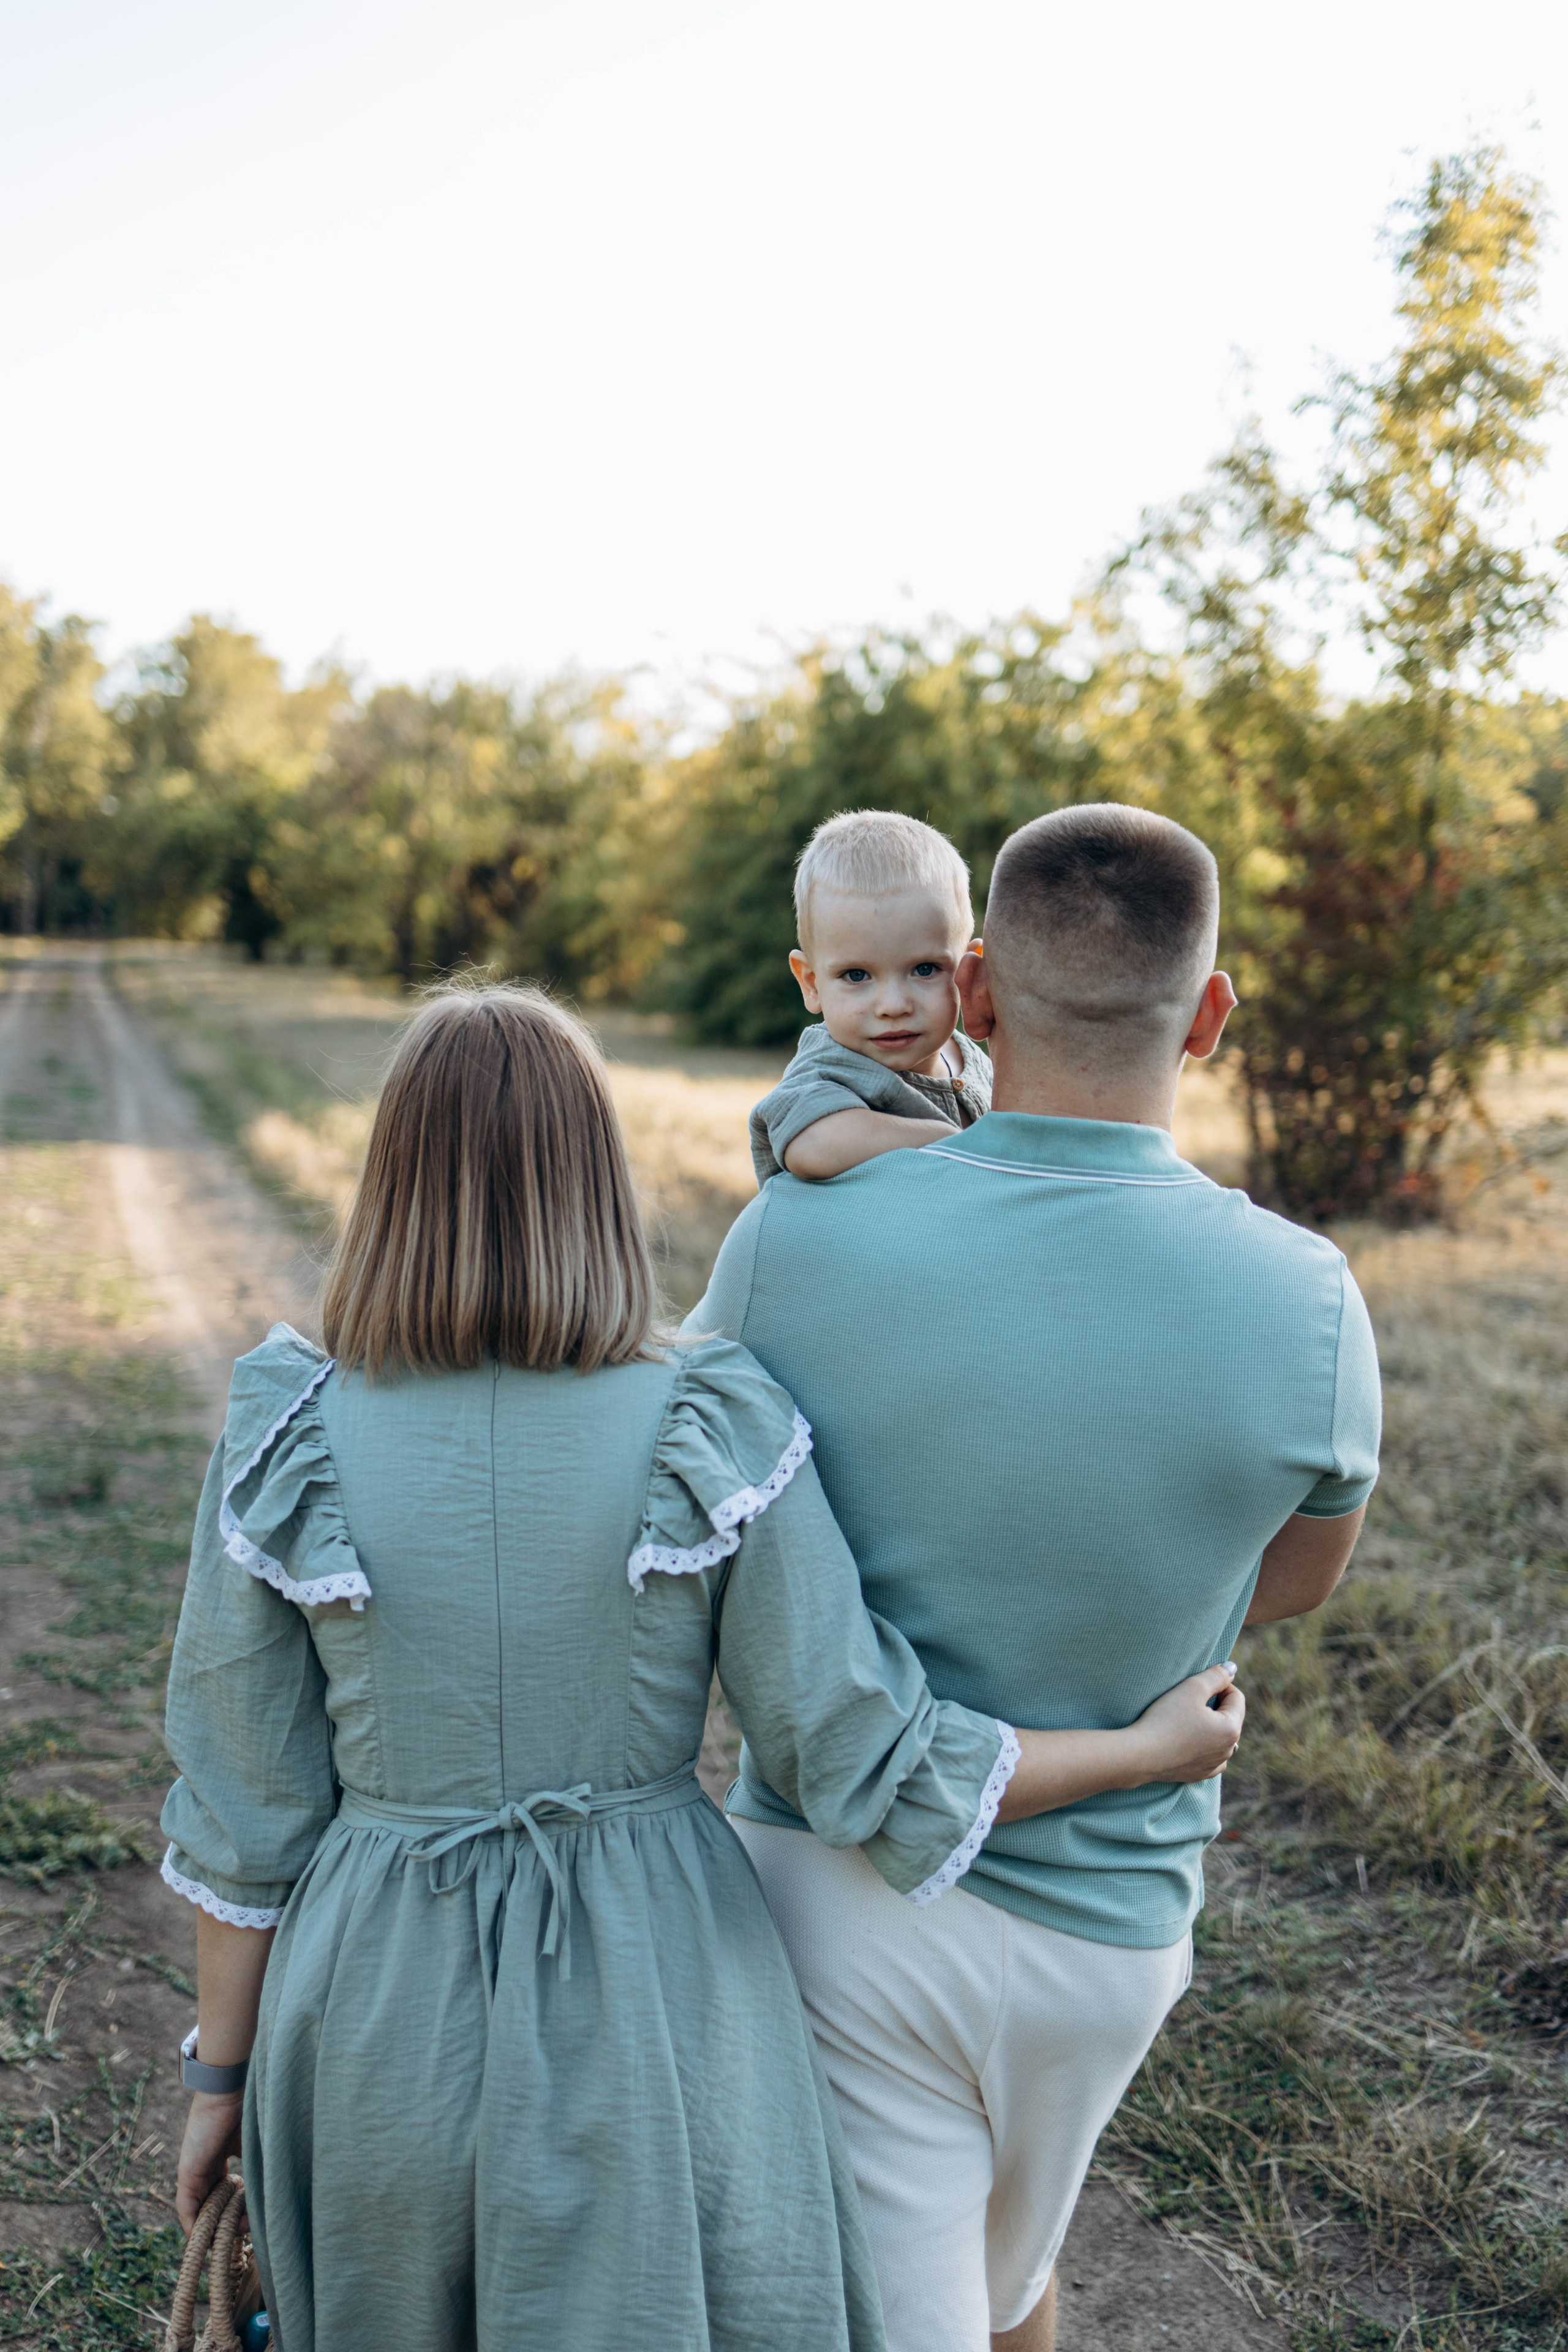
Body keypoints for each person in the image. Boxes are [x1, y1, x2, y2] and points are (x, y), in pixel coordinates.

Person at [161, 983, 1246, 2352]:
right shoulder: (707, 1416)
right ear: (594, 1178)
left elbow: (246, 1817)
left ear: (392, 1178)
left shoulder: (289, 1429)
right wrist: (1147, 1753)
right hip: (659, 1989)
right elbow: (852, 1746)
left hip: (374, 2006)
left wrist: (222, 2079)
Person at [693, 804, 1382, 2352]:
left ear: (977, 987)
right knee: (1008, 2282)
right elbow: (1282, 1585)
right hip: (1110, 1929)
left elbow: (696, 1526)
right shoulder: (1307, 1296)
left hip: (833, 1897)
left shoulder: (790, 1237)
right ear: (1208, 1012)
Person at [750, 810, 992, 1185]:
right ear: (812, 984)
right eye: (857, 975)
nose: (893, 1006)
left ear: (968, 972)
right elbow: (812, 1144)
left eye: (925, 969)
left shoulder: (976, 1063)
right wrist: (948, 1141)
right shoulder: (828, 1070)